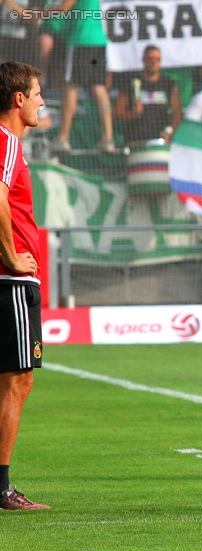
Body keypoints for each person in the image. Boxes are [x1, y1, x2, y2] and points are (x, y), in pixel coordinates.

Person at [0, 61, 48, 511]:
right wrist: (14, 257)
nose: (41, 102)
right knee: (17, 380)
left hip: (13, 278)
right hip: (10, 280)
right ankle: (1, 488)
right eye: (36, 94)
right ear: (18, 99)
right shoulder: (6, 141)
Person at [49, 0, 114, 151]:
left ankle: (63, 138)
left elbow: (64, 8)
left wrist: (38, 14)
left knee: (70, 86)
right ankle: (108, 139)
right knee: (98, 87)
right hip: (98, 40)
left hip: (80, 40)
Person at [114, 46, 183, 145]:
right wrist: (132, 114)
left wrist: (169, 132)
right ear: (143, 60)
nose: (154, 63)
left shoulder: (168, 84)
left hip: (161, 141)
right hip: (136, 141)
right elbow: (117, 113)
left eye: (157, 59)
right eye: (150, 59)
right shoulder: (131, 83)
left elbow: (177, 114)